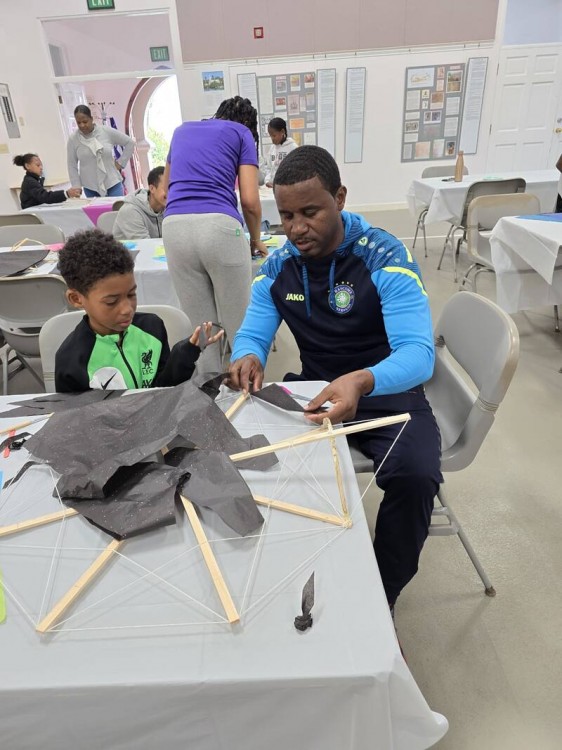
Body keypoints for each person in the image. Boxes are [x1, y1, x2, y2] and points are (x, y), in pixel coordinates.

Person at [228, 146, 442, 613]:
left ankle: (380, 598)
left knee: (416, 475)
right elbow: (253, 332)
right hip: (317, 393)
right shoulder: (279, 266)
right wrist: (247, 356)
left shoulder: (384, 256)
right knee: (260, 465)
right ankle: (295, 577)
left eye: (310, 212)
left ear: (340, 198)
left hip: (387, 389)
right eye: (287, 216)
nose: (296, 228)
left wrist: (361, 381)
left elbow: (419, 355)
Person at [162, 96, 268, 373]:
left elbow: (163, 193)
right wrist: (255, 239)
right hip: (220, 227)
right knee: (240, 327)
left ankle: (206, 392)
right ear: (249, 122)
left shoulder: (181, 131)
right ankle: (246, 393)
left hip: (174, 228)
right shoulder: (242, 132)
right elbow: (250, 201)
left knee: (201, 331)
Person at [55, 229, 223, 393]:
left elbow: (164, 388)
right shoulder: (70, 360)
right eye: (111, 302)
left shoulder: (152, 328)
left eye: (131, 294)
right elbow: (73, 410)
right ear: (76, 299)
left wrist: (186, 352)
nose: (127, 309)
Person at [67, 105, 135, 198]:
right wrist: (76, 186)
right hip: (90, 187)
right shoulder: (73, 139)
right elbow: (71, 165)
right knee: (96, 208)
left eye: (85, 121)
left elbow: (130, 143)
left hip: (112, 183)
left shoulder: (105, 131)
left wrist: (120, 163)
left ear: (91, 119)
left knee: (117, 207)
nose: (82, 125)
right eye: (79, 123)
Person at [113, 166, 166, 240]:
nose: (173, 192)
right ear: (152, 188)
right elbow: (144, 245)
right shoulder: (130, 211)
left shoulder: (168, 207)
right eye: (167, 188)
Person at [13, 153, 82, 209]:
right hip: (32, 214)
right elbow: (45, 197)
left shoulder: (35, 179)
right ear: (28, 166)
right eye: (38, 165)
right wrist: (67, 193)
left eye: (41, 165)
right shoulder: (30, 181)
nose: (41, 168)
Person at [264, 117, 298, 187]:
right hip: (272, 186)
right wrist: (267, 181)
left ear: (282, 131)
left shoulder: (293, 148)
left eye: (274, 136)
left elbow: (296, 171)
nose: (272, 139)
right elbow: (268, 167)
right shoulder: (272, 148)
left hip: (286, 187)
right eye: (270, 136)